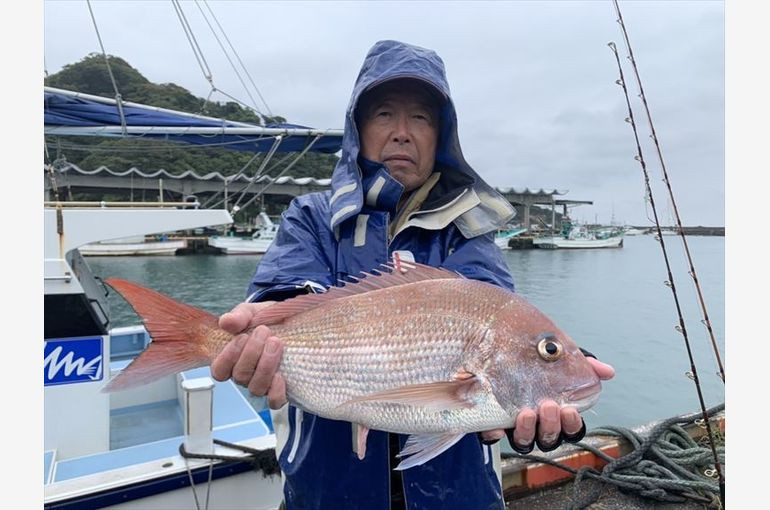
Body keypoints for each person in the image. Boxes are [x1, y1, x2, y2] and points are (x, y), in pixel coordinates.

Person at [211, 40, 615, 510]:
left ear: (441, 136)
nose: (402, 132)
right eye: (384, 113)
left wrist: (549, 368)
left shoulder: (468, 231)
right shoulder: (311, 217)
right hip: (325, 494)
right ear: (356, 129)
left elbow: (494, 310)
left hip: (459, 496)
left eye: (420, 118)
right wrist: (260, 331)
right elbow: (284, 291)